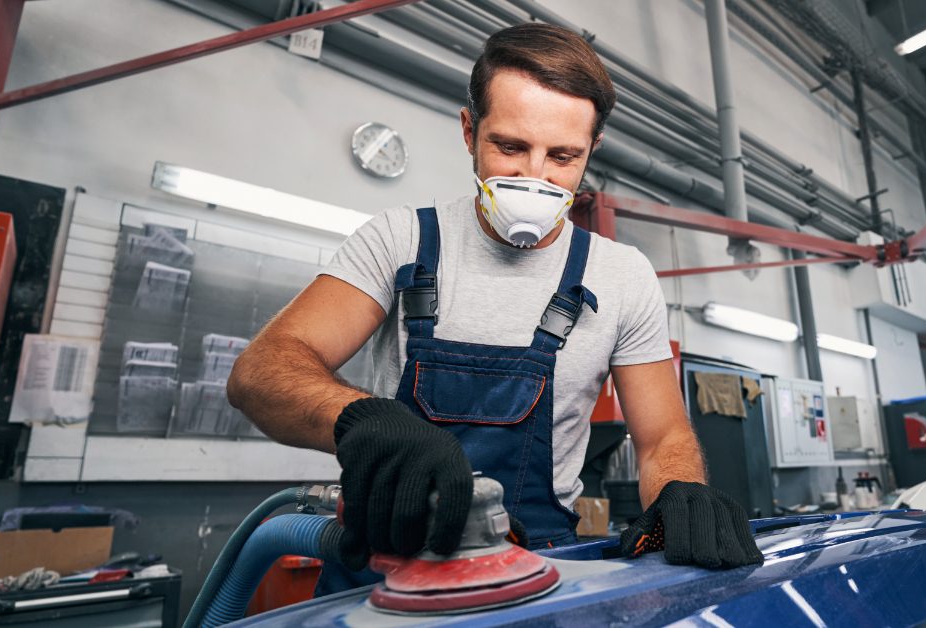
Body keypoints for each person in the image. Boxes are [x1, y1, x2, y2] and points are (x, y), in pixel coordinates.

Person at [227, 22, 761, 595]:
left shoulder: (622, 276)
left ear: (592, 150)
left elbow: (661, 440)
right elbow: (260, 373)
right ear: (468, 130)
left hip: (543, 572)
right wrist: (362, 420)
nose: (534, 177)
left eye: (563, 156)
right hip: (387, 568)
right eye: (510, 147)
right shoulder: (400, 240)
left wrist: (682, 489)